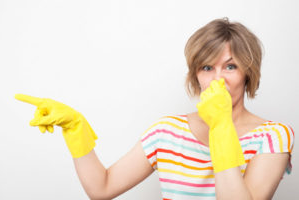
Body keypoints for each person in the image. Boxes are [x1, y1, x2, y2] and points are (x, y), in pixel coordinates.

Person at [15, 18, 294, 200]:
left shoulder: (273, 136)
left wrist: (221, 128)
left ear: (248, 72)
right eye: (207, 67)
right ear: (195, 75)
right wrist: (76, 128)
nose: (218, 79)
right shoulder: (167, 132)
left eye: (230, 66)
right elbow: (102, 188)